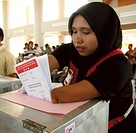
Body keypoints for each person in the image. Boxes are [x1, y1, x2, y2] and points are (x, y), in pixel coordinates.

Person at [48, 2, 136, 133]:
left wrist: (42, 90)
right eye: (74, 31)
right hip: (88, 123)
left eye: (86, 32)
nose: (77, 39)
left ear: (104, 32)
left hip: (117, 127)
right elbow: (41, 66)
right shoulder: (71, 49)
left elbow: (63, 95)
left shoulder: (118, 65)